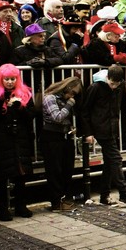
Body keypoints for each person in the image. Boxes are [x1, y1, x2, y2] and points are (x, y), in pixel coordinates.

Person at [77, 65, 126, 208]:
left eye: (116, 84)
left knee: (109, 162)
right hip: (100, 128)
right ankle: (124, 194)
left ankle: (105, 195)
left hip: (112, 128)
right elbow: (85, 110)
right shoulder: (96, 87)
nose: (113, 87)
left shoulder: (120, 86)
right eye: (111, 83)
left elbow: (125, 104)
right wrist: (88, 132)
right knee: (115, 159)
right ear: (107, 77)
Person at [0, 65, 36, 220]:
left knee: (21, 175)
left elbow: (31, 116)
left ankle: (21, 206)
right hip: (2, 140)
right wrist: (0, 105)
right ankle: (2, 209)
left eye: (13, 79)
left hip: (20, 138)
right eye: (7, 79)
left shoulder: (25, 94)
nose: (9, 82)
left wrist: (20, 107)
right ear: (1, 79)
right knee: (1, 177)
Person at [42, 77, 83, 212]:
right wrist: (69, 104)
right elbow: (57, 117)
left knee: (67, 170)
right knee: (54, 171)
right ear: (67, 88)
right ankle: (56, 202)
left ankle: (64, 199)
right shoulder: (50, 98)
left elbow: (65, 119)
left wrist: (71, 127)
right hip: (51, 137)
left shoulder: (65, 100)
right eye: (73, 92)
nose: (72, 96)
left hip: (65, 136)